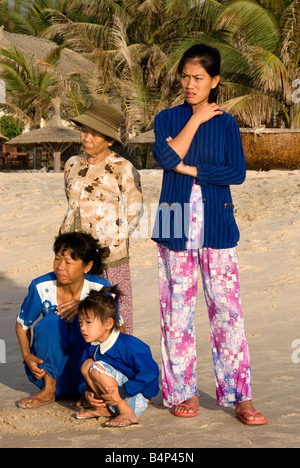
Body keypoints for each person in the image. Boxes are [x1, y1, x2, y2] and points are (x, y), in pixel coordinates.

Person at [152, 44, 267, 426]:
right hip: (172, 220)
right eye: (185, 76)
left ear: (215, 81)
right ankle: (182, 391)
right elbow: (166, 159)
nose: (189, 83)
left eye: (198, 78)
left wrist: (189, 170)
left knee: (227, 312)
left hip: (218, 224)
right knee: (176, 313)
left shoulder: (229, 123)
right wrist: (196, 119)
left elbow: (236, 173)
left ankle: (240, 395)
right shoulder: (167, 118)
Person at [60, 97, 143, 335]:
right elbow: (70, 204)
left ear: (108, 139)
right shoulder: (72, 164)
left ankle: (117, 366)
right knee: (72, 316)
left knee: (113, 317)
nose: (86, 138)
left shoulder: (123, 167)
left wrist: (108, 243)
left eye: (94, 134)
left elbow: (135, 211)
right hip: (71, 254)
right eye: (84, 131)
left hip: (108, 258)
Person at [16, 232, 115, 409]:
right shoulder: (41, 286)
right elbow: (22, 325)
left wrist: (86, 306)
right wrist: (26, 356)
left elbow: (118, 331)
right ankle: (49, 390)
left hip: (90, 374)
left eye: (68, 262)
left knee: (86, 320)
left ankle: (87, 390)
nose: (60, 267)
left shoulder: (100, 288)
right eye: (57, 259)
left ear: (87, 266)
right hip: (48, 372)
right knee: (51, 322)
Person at [75, 288, 160, 428]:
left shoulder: (128, 345)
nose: (83, 328)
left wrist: (125, 391)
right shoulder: (93, 347)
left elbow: (150, 372)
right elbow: (82, 375)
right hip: (114, 397)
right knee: (86, 365)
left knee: (96, 368)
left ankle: (127, 413)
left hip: (135, 397)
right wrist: (86, 392)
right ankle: (105, 408)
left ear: (109, 323)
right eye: (80, 322)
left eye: (88, 322)